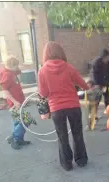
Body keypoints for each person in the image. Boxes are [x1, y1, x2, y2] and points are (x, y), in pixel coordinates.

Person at [38, 41, 89, 171]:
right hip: (73, 105)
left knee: (62, 136)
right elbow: (83, 85)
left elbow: (43, 93)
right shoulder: (69, 67)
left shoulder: (42, 71)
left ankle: (67, 164)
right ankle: (81, 160)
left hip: (56, 108)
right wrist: (87, 85)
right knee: (77, 134)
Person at [0, 56, 31, 149]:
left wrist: (16, 66)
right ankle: (14, 137)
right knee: (26, 120)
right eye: (15, 66)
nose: (17, 67)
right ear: (10, 66)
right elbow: (5, 91)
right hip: (15, 104)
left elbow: (19, 71)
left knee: (18, 122)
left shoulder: (12, 72)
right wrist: (15, 102)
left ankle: (19, 139)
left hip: (19, 102)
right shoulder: (7, 75)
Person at [90, 48, 109, 116]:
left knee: (106, 96)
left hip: (105, 83)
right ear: (103, 57)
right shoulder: (96, 63)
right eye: (106, 57)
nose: (107, 59)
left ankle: (107, 109)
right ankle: (93, 113)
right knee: (98, 98)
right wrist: (98, 84)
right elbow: (94, 74)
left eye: (108, 57)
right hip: (98, 84)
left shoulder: (108, 64)